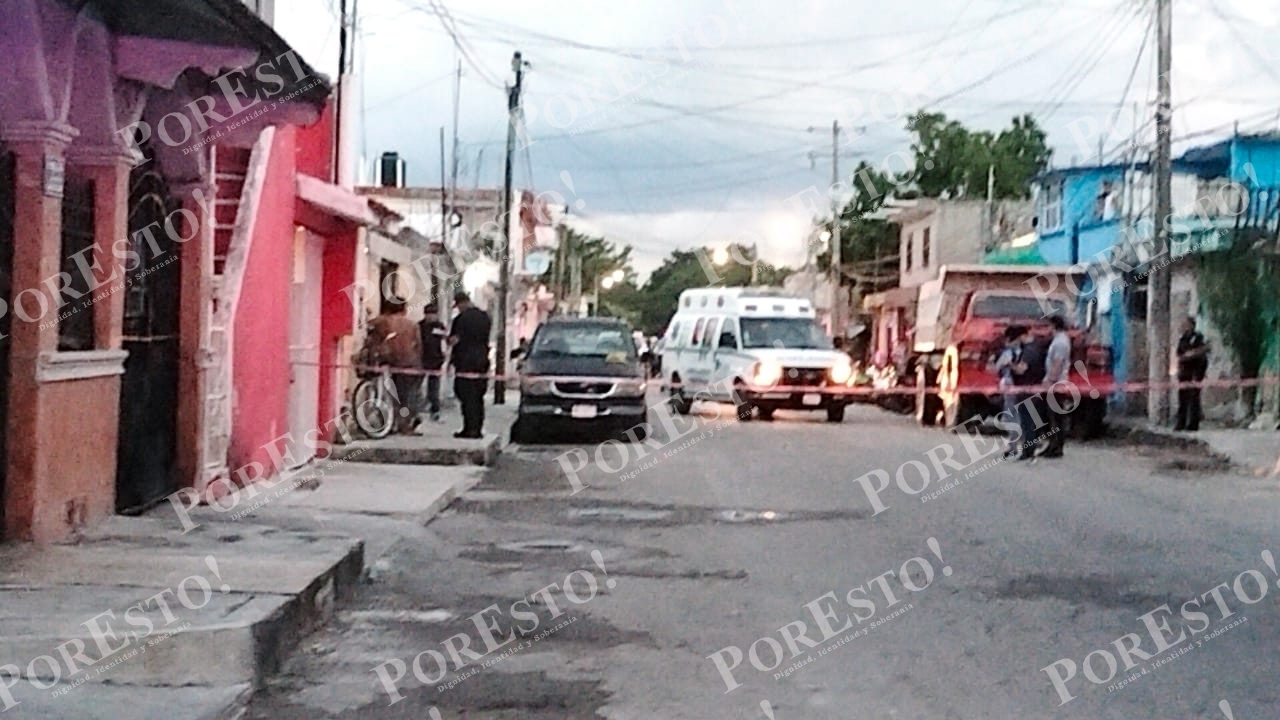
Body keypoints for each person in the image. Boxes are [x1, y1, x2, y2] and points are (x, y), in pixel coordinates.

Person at [364, 296, 421, 434]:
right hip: (409, 363)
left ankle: (390, 422)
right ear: (404, 308)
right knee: (405, 397)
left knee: (390, 393)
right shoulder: (412, 325)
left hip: (388, 361)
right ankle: (404, 424)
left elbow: (370, 335)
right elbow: (418, 345)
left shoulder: (381, 321)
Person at [448, 291, 492, 439]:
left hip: (465, 362)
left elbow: (455, 340)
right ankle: (477, 429)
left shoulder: (460, 319)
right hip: (482, 361)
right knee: (478, 396)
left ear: (461, 303)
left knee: (466, 396)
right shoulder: (485, 317)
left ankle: (469, 428)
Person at [1010, 326, 1048, 460]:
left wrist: (1010, 365)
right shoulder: (1036, 347)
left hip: (1027, 389)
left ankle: (1028, 450)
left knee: (1027, 422)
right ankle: (1030, 448)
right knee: (1031, 420)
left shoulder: (1029, 351)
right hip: (1034, 387)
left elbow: (1021, 370)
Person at [1040, 315, 1073, 458]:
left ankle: (1056, 447)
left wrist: (1050, 380)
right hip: (1057, 384)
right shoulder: (1060, 340)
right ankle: (1053, 445)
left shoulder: (1060, 342)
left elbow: (1057, 363)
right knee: (1053, 417)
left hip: (1056, 385)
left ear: (1053, 326)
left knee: (1055, 418)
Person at [1174, 316, 1209, 432]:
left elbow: (1202, 351)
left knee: (1194, 398)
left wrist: (1191, 354)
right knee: (1182, 398)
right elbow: (1179, 354)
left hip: (1195, 372)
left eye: (1187, 324)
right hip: (1184, 372)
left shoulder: (1198, 337)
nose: (1184, 327)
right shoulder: (1183, 339)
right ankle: (1181, 423)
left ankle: (1193, 424)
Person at [995, 325, 1025, 459]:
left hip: (1009, 383)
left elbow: (998, 367)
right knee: (1021, 414)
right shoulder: (1024, 350)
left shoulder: (1008, 352)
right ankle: (1023, 444)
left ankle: (1013, 446)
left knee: (1011, 415)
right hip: (1023, 385)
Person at [418, 304, 447, 422]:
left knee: (434, 387)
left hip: (436, 360)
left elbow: (445, 341)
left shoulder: (439, 326)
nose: (430, 317)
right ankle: (418, 409)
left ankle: (435, 410)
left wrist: (444, 354)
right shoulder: (420, 326)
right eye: (428, 314)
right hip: (421, 358)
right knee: (417, 385)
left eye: (433, 314)